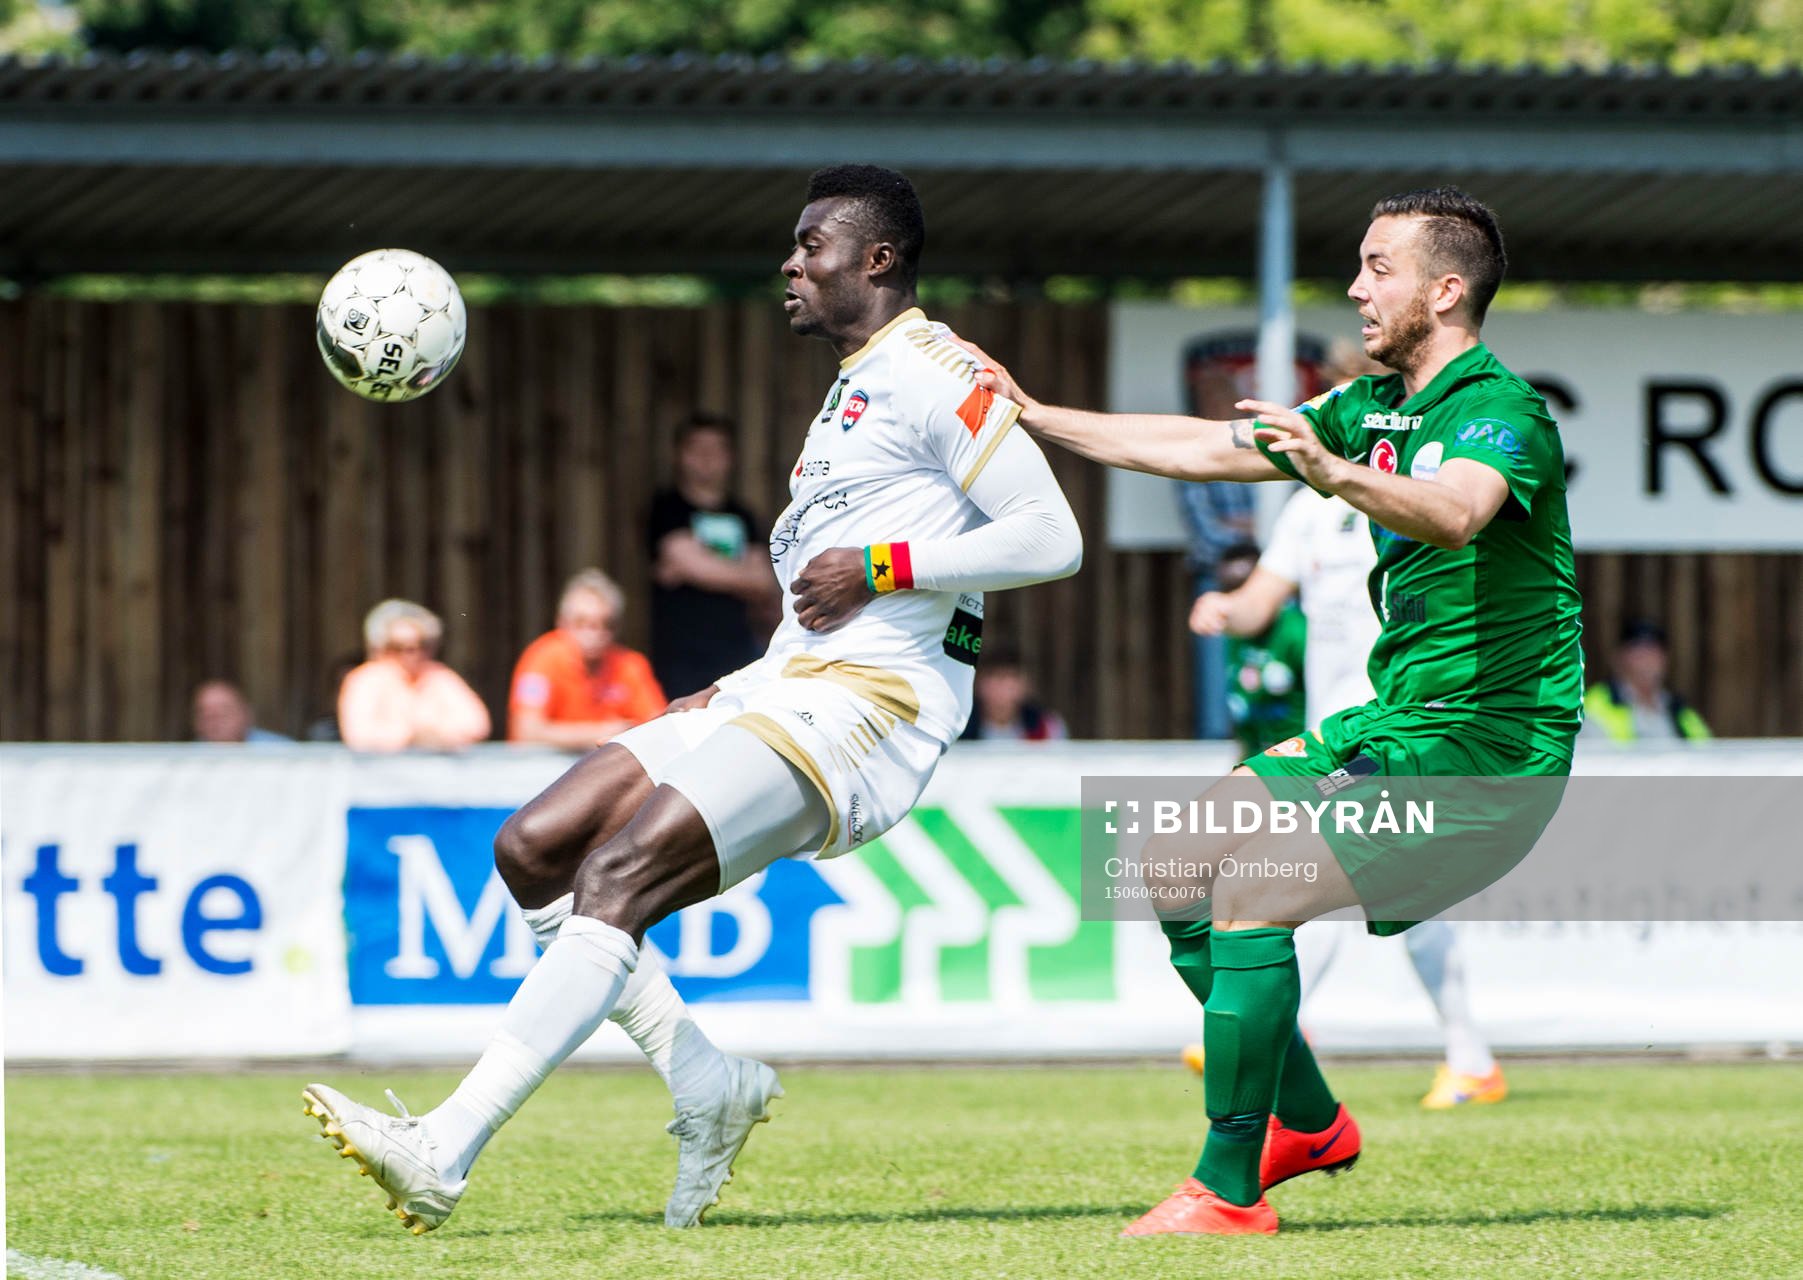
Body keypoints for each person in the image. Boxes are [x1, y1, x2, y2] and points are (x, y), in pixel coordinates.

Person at [303, 164, 1082, 1234]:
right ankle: (708, 1080)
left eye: (812, 245)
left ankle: (443, 1146)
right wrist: (758, 664)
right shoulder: (858, 380)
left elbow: (1053, 536)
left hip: (867, 711)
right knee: (535, 846)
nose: (791, 263)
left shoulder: (937, 369)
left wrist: (885, 566)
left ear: (878, 259)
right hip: (784, 681)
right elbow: (831, 568)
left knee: (622, 873)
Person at [965, 186, 1581, 1235]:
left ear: (1445, 288)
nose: (1355, 287)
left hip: (1488, 751)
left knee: (1251, 888)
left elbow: (1459, 512)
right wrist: (1033, 412)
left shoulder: (1500, 408)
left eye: (1377, 266)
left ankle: (1227, 1186)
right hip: (1396, 722)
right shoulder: (1376, 407)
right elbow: (1208, 446)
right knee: (1171, 862)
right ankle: (1307, 1117)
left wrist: (1332, 473)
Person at [1189, 488, 1507, 1109]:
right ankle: (1471, 1060)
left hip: (1396, 731)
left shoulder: (1416, 494)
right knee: (1407, 898)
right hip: (1329, 737)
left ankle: (1267, 1025)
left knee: (1302, 865)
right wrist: (1226, 607)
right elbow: (1260, 605)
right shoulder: (1307, 508)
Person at [648, 414, 779, 699]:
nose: (707, 458)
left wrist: (696, 567)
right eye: (697, 449)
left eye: (716, 449)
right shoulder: (667, 509)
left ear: (730, 457)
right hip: (681, 654)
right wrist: (738, 572)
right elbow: (689, 562)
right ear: (679, 455)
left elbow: (764, 581)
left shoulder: (743, 515)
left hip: (739, 650)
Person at [509, 570, 667, 750]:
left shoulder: (630, 665)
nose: (593, 634)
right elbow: (527, 732)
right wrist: (604, 732)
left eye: (605, 625)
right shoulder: (541, 659)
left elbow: (658, 726)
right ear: (562, 622)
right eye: (582, 623)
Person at [1198, 540, 1307, 758]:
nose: (1236, 601)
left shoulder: (1297, 632)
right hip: (1256, 761)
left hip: (1300, 764)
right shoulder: (1234, 633)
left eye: (1243, 590)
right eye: (1229, 590)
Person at [337, 599, 491, 752]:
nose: (411, 654)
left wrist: (433, 735)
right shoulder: (365, 680)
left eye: (420, 645)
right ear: (380, 648)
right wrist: (411, 736)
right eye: (399, 647)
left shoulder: (439, 676)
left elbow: (477, 725)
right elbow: (359, 735)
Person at [1583, 620, 1711, 743]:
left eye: (1654, 651)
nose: (1647, 660)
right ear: (1618, 658)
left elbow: (1707, 755)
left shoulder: (1680, 710)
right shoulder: (1595, 704)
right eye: (1639, 651)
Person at [959, 648, 1067, 742]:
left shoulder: (1047, 727)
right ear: (978, 683)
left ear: (1025, 685)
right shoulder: (958, 727)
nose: (1002, 690)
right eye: (995, 678)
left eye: (1009, 678)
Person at [190, 679, 291, 744]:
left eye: (224, 713)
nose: (215, 722)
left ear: (246, 714)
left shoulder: (280, 751)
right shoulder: (186, 759)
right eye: (206, 715)